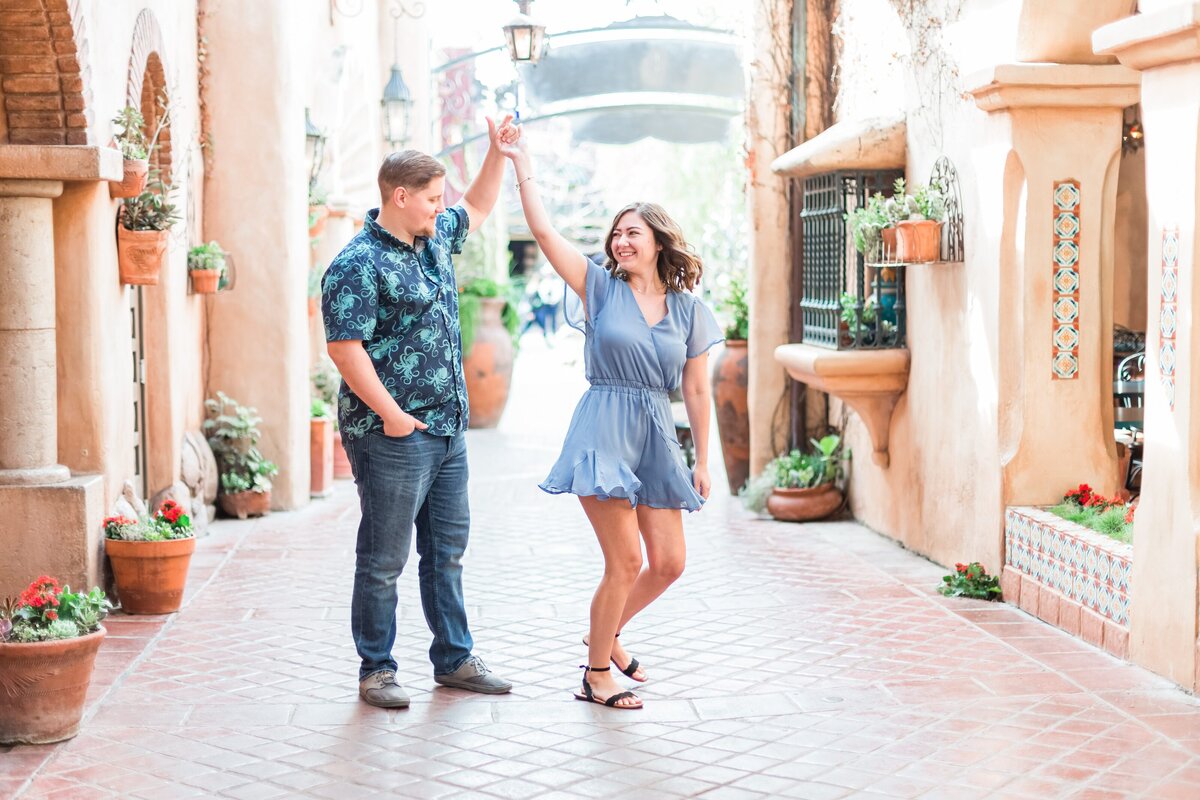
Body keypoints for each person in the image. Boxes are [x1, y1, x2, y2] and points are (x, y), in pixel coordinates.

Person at [496, 125, 724, 709]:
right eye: (616, 233)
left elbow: (696, 390)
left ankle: (605, 635)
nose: (621, 242)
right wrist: (521, 161)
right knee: (624, 561)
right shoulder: (598, 288)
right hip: (603, 428)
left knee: (668, 563)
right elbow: (545, 231)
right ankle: (597, 674)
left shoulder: (688, 310)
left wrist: (702, 459)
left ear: (657, 242)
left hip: (654, 434)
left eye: (633, 233)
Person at [321, 118, 516, 708]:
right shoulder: (356, 264)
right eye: (432, 199)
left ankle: (454, 658)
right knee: (384, 559)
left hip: (448, 430)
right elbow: (343, 347)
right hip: (391, 435)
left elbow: (477, 205)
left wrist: (496, 154)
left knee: (446, 552)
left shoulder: (431, 240)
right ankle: (376, 669)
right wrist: (394, 416)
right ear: (399, 198)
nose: (441, 208)